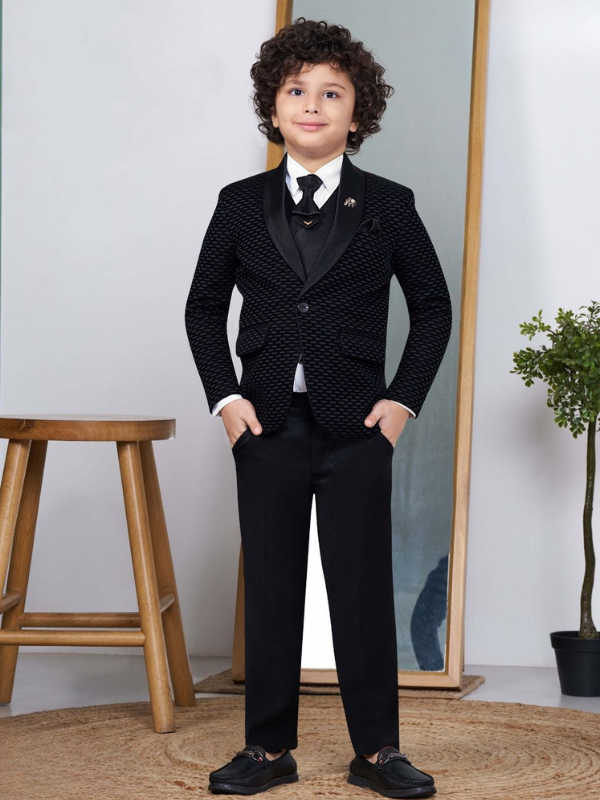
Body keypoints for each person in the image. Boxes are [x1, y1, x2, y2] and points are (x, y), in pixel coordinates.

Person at [185, 17, 451, 797]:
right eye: (296, 90)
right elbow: (203, 307)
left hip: (357, 425)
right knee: (271, 584)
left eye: (331, 93)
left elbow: (432, 307)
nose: (312, 104)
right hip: (263, 422)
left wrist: (401, 402)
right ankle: (268, 749)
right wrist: (225, 398)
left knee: (361, 584)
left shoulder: (390, 205)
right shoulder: (238, 204)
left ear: (357, 115)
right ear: (272, 107)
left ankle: (377, 750)